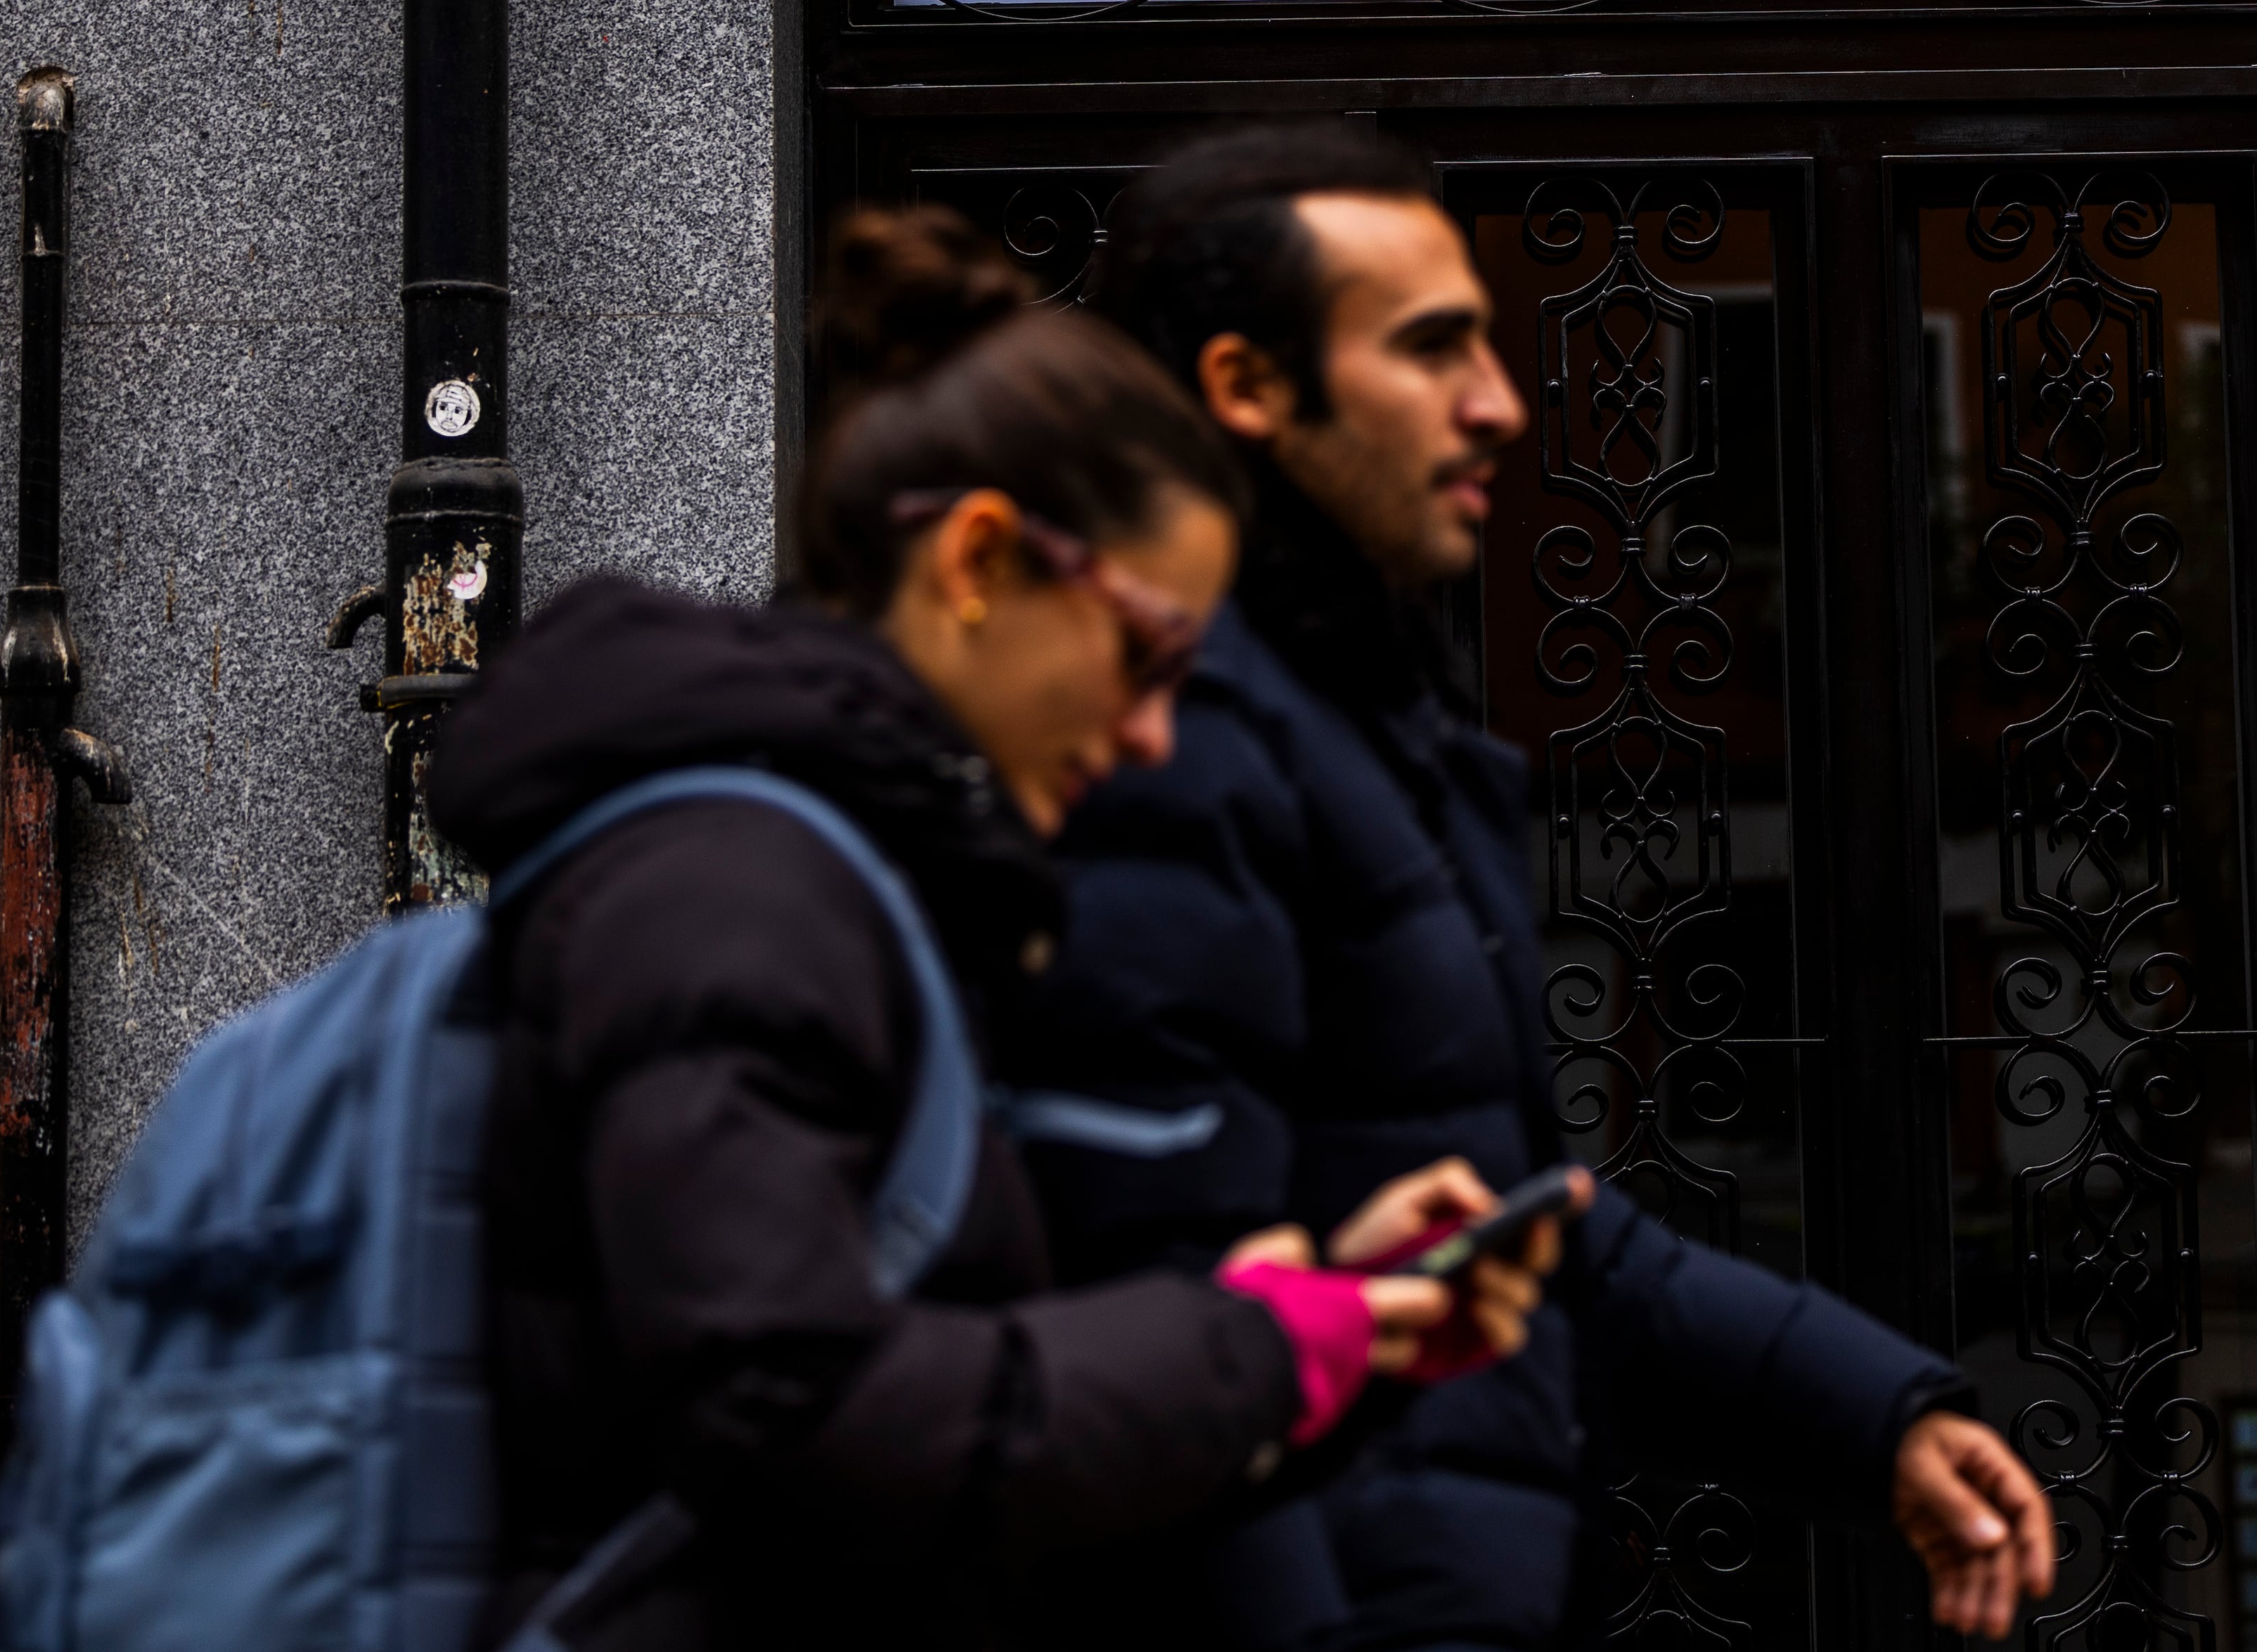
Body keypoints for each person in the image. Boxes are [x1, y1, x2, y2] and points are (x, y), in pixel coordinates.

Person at [427, 206, 1559, 1652]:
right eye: (1149, 653)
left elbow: (925, 1421)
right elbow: (793, 1408)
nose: (1158, 733)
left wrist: (1323, 1328)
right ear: (975, 562)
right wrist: (1251, 1343)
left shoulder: (820, 874)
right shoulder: (741, 887)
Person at [1005, 124, 2063, 1647]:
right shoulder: (1161, 756)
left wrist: (1870, 1415)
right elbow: (1168, 1339)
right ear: (1245, 387)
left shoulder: (1358, 730)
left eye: (1488, 344)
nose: (1500, 405)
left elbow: (1500, 1227)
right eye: (1432, 349)